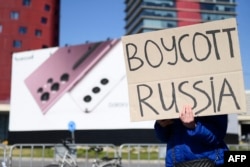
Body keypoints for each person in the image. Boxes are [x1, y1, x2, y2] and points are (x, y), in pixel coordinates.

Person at [154, 105, 229, 167]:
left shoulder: (214, 100)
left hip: (209, 162)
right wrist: (162, 126)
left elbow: (217, 135)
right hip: (175, 163)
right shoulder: (169, 101)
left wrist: (194, 126)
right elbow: (163, 138)